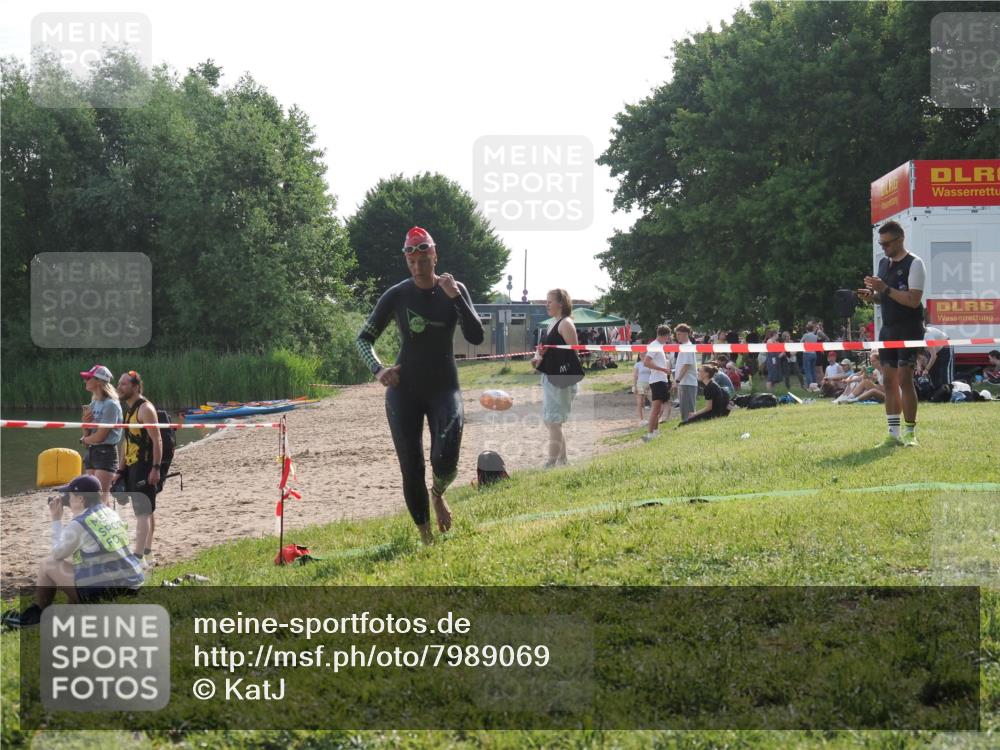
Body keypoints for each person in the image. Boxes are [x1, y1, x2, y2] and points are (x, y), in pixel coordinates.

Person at [355, 226, 484, 544]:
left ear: (434, 255)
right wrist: (378, 369)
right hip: (404, 391)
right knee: (411, 467)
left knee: (446, 457)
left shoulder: (455, 289)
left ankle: (438, 494)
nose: (417, 266)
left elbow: (476, 337)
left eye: (423, 258)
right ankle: (425, 536)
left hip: (445, 387)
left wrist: (456, 299)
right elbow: (363, 339)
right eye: (411, 261)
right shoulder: (397, 294)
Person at [0, 475, 144, 629]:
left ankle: (36, 617)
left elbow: (57, 554)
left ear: (81, 499)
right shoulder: (109, 512)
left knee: (47, 565)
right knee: (78, 567)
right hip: (132, 583)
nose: (66, 498)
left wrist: (56, 519)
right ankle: (70, 615)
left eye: (69, 495)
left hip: (110, 591)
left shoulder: (80, 523)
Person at [858, 220, 926, 447]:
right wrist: (873, 296)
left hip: (909, 327)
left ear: (900, 239)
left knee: (905, 379)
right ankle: (893, 433)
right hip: (888, 328)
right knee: (887, 380)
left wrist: (884, 288)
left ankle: (910, 432)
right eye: (881, 243)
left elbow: (913, 300)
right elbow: (884, 297)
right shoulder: (882, 264)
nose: (884, 248)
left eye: (887, 243)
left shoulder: (915, 264)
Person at [116, 371, 163, 567]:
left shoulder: (145, 409)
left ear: (135, 387)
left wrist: (156, 468)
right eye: (119, 384)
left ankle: (137, 557)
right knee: (147, 512)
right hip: (132, 466)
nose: (119, 387)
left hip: (144, 466)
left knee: (142, 512)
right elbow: (125, 442)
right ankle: (147, 553)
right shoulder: (128, 410)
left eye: (124, 384)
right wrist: (120, 470)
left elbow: (157, 439)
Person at [533, 289, 580, 466]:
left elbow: (573, 352)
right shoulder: (552, 323)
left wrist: (550, 355)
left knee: (554, 421)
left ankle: (551, 463)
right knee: (551, 421)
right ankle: (564, 460)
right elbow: (548, 349)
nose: (547, 304)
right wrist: (539, 357)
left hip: (562, 379)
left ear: (561, 303)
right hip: (549, 376)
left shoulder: (566, 323)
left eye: (550, 301)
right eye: (547, 301)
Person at [79, 365, 123, 507]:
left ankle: (112, 527)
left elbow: (101, 437)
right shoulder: (93, 403)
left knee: (101, 501)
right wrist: (85, 425)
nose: (85, 381)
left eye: (88, 378)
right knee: (93, 500)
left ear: (98, 381)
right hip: (92, 452)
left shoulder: (111, 405)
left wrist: (84, 439)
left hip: (106, 452)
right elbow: (89, 436)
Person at [642, 325, 673, 442]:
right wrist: (663, 369)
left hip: (659, 379)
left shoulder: (658, 346)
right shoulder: (655, 346)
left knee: (658, 409)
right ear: (665, 335)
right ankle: (650, 435)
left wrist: (664, 369)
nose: (668, 339)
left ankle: (655, 432)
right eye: (668, 337)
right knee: (656, 410)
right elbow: (646, 362)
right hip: (658, 380)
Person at [673, 324, 699, 421]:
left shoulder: (688, 347)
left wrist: (677, 380)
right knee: (684, 410)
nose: (677, 336)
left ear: (686, 334)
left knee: (688, 411)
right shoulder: (684, 346)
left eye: (679, 334)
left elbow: (687, 365)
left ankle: (688, 427)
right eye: (677, 334)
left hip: (687, 382)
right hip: (685, 383)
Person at [923, 325, 953, 392]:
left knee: (944, 370)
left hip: (945, 346)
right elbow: (919, 354)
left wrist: (926, 369)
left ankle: (948, 391)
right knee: (933, 370)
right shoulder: (915, 337)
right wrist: (919, 366)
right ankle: (936, 391)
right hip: (935, 349)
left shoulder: (927, 337)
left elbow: (934, 356)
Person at [632, 353, 651, 423]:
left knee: (653, 401)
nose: (643, 356)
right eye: (641, 354)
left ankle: (651, 418)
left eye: (644, 354)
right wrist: (634, 386)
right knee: (640, 403)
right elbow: (635, 376)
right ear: (639, 356)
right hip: (640, 384)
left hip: (650, 384)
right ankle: (642, 419)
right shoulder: (637, 364)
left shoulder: (650, 363)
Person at [801, 322, 819, 388]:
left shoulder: (806, 335)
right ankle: (814, 384)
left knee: (807, 370)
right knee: (813, 370)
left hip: (807, 353)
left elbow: (801, 342)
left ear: (807, 329)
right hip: (814, 354)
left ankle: (810, 385)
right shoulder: (815, 336)